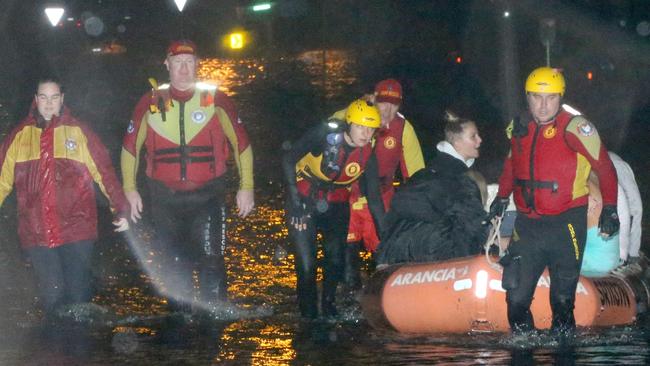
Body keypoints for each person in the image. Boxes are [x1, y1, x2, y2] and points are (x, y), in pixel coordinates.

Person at [121, 40, 254, 310]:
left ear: (197, 65)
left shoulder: (216, 100)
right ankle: (178, 323)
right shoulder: (150, 102)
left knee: (211, 258)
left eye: (189, 63)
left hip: (207, 197)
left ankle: (214, 319)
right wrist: (129, 189)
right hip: (164, 200)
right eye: (178, 63)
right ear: (167, 65)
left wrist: (246, 186)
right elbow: (129, 149)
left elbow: (242, 144)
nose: (184, 69)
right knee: (173, 262)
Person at [489, 67, 619, 334]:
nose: (543, 105)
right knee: (515, 300)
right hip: (528, 226)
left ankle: (564, 353)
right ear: (528, 97)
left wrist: (610, 208)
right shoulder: (518, 127)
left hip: (566, 224)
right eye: (537, 97)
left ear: (560, 97)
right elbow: (511, 166)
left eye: (550, 98)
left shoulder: (576, 128)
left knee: (561, 302)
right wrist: (502, 197)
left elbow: (605, 167)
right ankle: (523, 350)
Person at [0, 79, 129, 317]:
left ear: (62, 99)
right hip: (36, 233)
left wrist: (120, 208)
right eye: (44, 98)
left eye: (54, 97)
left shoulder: (79, 132)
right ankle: (55, 352)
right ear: (36, 100)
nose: (49, 104)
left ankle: (78, 351)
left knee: (79, 301)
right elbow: (2, 180)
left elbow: (104, 172)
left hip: (77, 230)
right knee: (52, 299)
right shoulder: (18, 137)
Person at [283, 99, 384, 318]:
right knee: (308, 265)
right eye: (360, 127)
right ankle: (308, 315)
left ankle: (328, 307)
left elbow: (374, 198)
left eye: (370, 129)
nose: (365, 134)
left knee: (336, 259)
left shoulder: (368, 152)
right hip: (303, 199)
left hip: (336, 203)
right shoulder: (325, 135)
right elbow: (288, 159)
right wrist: (295, 201)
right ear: (349, 124)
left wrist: (385, 238)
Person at [334, 79, 425, 287]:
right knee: (347, 260)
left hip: (381, 196)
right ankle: (349, 297)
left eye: (394, 104)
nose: (388, 109)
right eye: (383, 102)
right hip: (347, 196)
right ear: (373, 99)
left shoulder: (403, 128)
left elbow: (416, 176)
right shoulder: (349, 115)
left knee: (385, 255)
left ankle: (385, 297)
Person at [376, 111, 488, 266]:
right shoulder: (458, 179)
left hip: (394, 251)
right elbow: (471, 224)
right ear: (456, 142)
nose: (480, 141)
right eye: (473, 136)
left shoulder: (425, 173)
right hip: (431, 252)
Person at [608, 152, 643, 267]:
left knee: (634, 209)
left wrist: (632, 251)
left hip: (622, 208)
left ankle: (631, 255)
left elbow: (636, 207)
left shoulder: (616, 164)